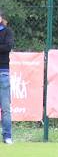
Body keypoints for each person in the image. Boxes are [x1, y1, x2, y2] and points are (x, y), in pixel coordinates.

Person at [0, 10, 13, 145]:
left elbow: (8, 47)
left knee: (5, 108)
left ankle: (7, 136)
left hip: (3, 72)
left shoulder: (7, 32)